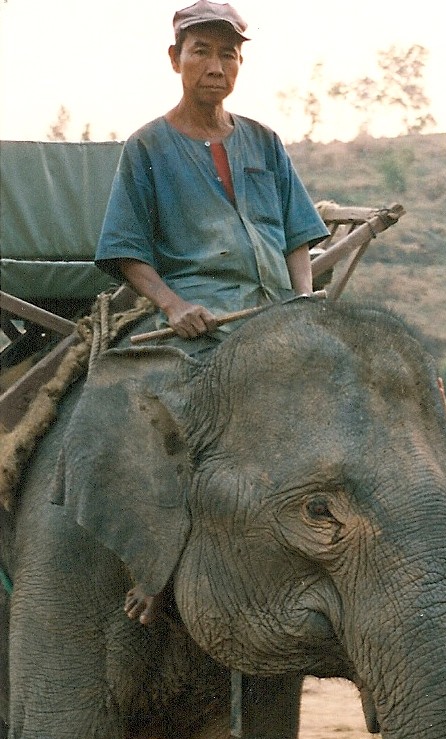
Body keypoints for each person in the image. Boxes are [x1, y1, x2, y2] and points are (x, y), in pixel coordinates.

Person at [95, 0, 329, 623]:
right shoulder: (147, 147)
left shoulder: (264, 141)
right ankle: (156, 559)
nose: (216, 66)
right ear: (175, 59)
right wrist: (173, 306)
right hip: (201, 325)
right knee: (157, 417)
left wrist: (303, 302)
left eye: (229, 54)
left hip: (277, 318)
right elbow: (127, 250)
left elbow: (297, 238)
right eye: (201, 51)